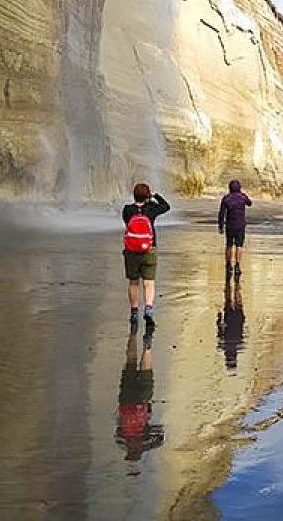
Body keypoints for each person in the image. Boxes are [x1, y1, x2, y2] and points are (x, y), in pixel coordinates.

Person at [122, 182, 170, 328]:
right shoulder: (152, 209)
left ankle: (134, 311)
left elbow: (126, 223)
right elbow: (166, 206)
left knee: (133, 282)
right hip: (149, 248)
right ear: (147, 196)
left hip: (131, 249)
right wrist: (154, 196)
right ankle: (148, 308)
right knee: (149, 282)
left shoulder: (127, 210)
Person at [115, 329, 163, 461]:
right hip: (126, 400)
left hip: (142, 402)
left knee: (145, 372)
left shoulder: (145, 441)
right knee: (130, 363)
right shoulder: (122, 440)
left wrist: (147, 445)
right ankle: (133, 335)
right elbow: (117, 429)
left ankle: (147, 348)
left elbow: (160, 437)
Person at [217, 179, 252, 277]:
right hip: (240, 225)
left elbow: (222, 213)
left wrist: (221, 225)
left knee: (229, 245)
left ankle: (228, 265)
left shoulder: (226, 198)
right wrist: (243, 195)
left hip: (230, 225)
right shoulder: (242, 197)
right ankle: (237, 265)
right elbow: (250, 203)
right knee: (239, 245)